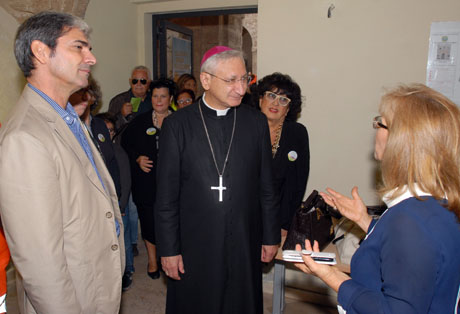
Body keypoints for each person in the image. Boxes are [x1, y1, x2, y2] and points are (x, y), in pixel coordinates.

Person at [295, 84, 460, 314]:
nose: (375, 129)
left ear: (401, 141)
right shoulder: (440, 203)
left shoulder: (409, 220)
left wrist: (330, 275)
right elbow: (413, 258)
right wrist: (365, 221)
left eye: (380, 123)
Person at [0, 11, 124, 313]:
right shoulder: (25, 136)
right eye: (79, 47)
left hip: (94, 285)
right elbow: (39, 258)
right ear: (41, 51)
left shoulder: (68, 116)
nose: (91, 58)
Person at [155, 46, 280, 314]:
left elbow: (266, 186)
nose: (241, 88)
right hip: (193, 240)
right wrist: (168, 249)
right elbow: (166, 196)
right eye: (231, 80)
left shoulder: (255, 122)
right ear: (206, 80)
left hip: (245, 236)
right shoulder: (178, 125)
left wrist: (270, 236)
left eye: (245, 79)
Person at [122, 78, 175, 280]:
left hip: (173, 184)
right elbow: (126, 145)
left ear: (170, 99)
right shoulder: (140, 121)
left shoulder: (180, 120)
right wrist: (137, 158)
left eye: (163, 96)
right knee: (149, 222)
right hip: (146, 183)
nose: (159, 100)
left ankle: (169, 257)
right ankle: (153, 261)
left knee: (171, 222)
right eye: (155, 96)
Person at [255, 73, 310, 235]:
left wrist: (285, 224)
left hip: (278, 218)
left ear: (288, 109)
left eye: (283, 100)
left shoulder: (296, 134)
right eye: (271, 96)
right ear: (260, 100)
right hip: (244, 217)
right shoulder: (245, 129)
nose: (276, 103)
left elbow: (297, 184)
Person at [97, 112, 135, 291]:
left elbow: (126, 180)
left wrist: (122, 205)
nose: (108, 133)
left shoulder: (118, 151)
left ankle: (128, 270)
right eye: (104, 130)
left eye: (111, 130)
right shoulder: (93, 152)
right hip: (100, 207)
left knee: (124, 239)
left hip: (119, 205)